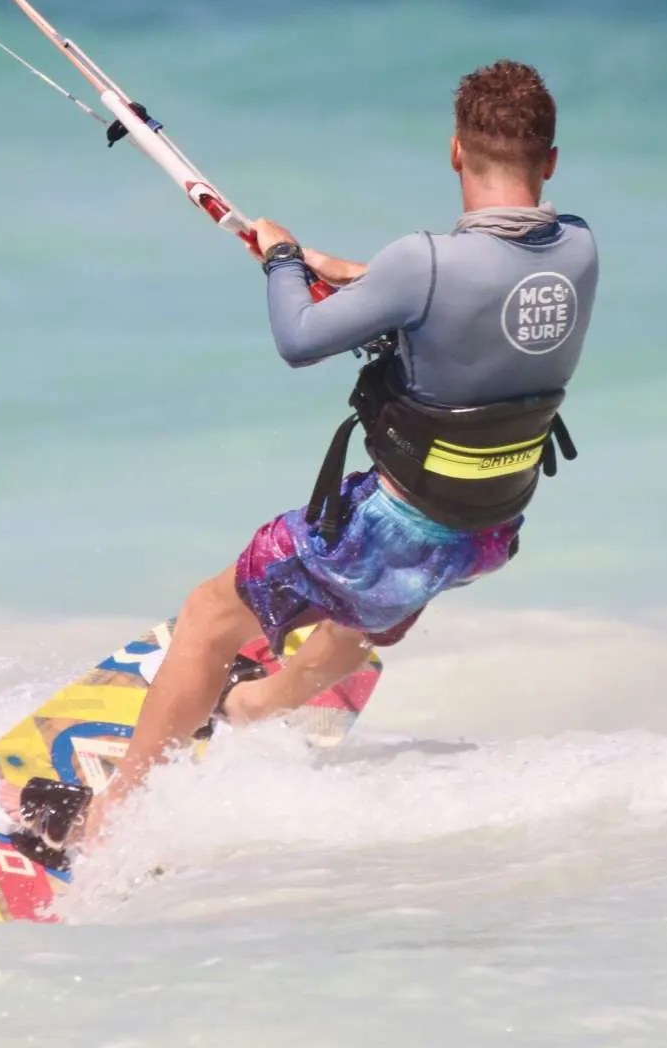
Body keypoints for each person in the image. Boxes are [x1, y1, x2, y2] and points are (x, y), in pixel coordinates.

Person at [74, 59, 598, 846]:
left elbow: (300, 341)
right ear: (550, 161)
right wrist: (355, 276)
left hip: (395, 526)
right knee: (368, 603)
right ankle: (253, 708)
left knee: (209, 617)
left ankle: (107, 823)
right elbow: (463, 305)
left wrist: (283, 260)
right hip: (487, 526)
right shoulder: (580, 251)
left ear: (455, 151)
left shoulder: (421, 263)